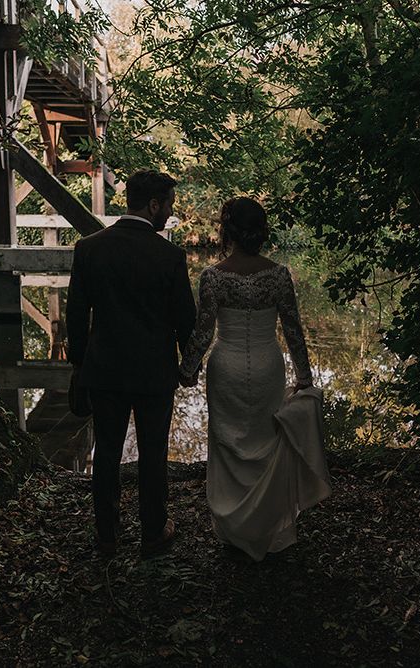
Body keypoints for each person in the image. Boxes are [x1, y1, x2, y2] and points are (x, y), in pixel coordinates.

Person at [179, 197, 331, 561]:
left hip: (226, 365)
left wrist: (186, 371)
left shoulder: (213, 277)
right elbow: (293, 330)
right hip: (267, 364)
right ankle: (267, 526)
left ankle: (233, 529)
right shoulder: (278, 275)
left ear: (227, 231)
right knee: (266, 441)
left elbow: (202, 333)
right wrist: (305, 377)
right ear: (261, 232)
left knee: (228, 443)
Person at [66, 170, 196, 557]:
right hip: (155, 372)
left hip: (104, 369)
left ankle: (107, 534)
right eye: (168, 204)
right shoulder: (170, 256)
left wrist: (79, 365)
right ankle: (153, 532)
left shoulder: (89, 248)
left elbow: (76, 315)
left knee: (106, 452)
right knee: (153, 454)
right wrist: (188, 367)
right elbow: (185, 320)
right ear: (153, 204)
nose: (169, 213)